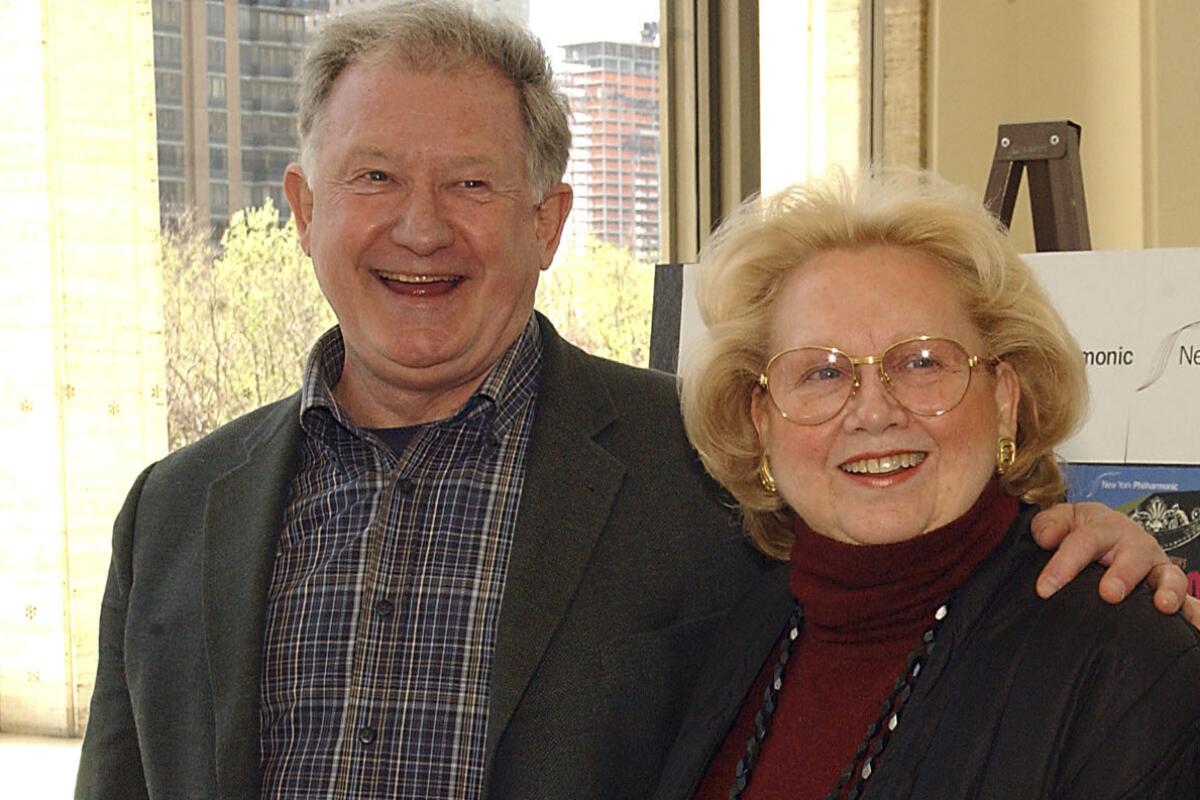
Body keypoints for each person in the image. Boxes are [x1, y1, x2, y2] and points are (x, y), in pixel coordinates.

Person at [74, 3, 1192, 799]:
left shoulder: (706, 472)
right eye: (374, 178)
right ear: (304, 205)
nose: (420, 226)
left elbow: (915, 550)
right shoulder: (174, 510)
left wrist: (1107, 537)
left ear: (549, 221)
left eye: (471, 182)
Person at [655, 170, 1200, 799]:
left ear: (1003, 398)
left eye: (920, 362)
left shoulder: (1124, 665)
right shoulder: (735, 634)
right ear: (761, 421)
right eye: (822, 373)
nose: (873, 410)